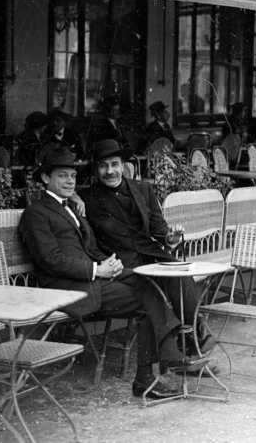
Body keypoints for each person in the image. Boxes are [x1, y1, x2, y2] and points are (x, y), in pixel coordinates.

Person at [18, 147, 185, 399]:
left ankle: (161, 366)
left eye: (72, 177)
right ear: (45, 179)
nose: (69, 181)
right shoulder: (36, 214)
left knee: (151, 285)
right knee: (146, 300)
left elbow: (90, 247)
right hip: (67, 288)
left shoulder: (72, 208)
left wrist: (109, 263)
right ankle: (155, 371)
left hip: (91, 279)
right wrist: (98, 270)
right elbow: (50, 260)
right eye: (62, 176)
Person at [78, 139, 214, 356]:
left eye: (114, 164)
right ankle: (185, 349)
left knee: (179, 272)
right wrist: (75, 198)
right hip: (122, 262)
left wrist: (170, 238)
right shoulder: (86, 198)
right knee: (155, 288)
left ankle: (195, 334)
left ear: (123, 165)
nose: (110, 171)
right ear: (96, 169)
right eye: (103, 166)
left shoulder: (143, 189)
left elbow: (160, 229)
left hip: (150, 254)